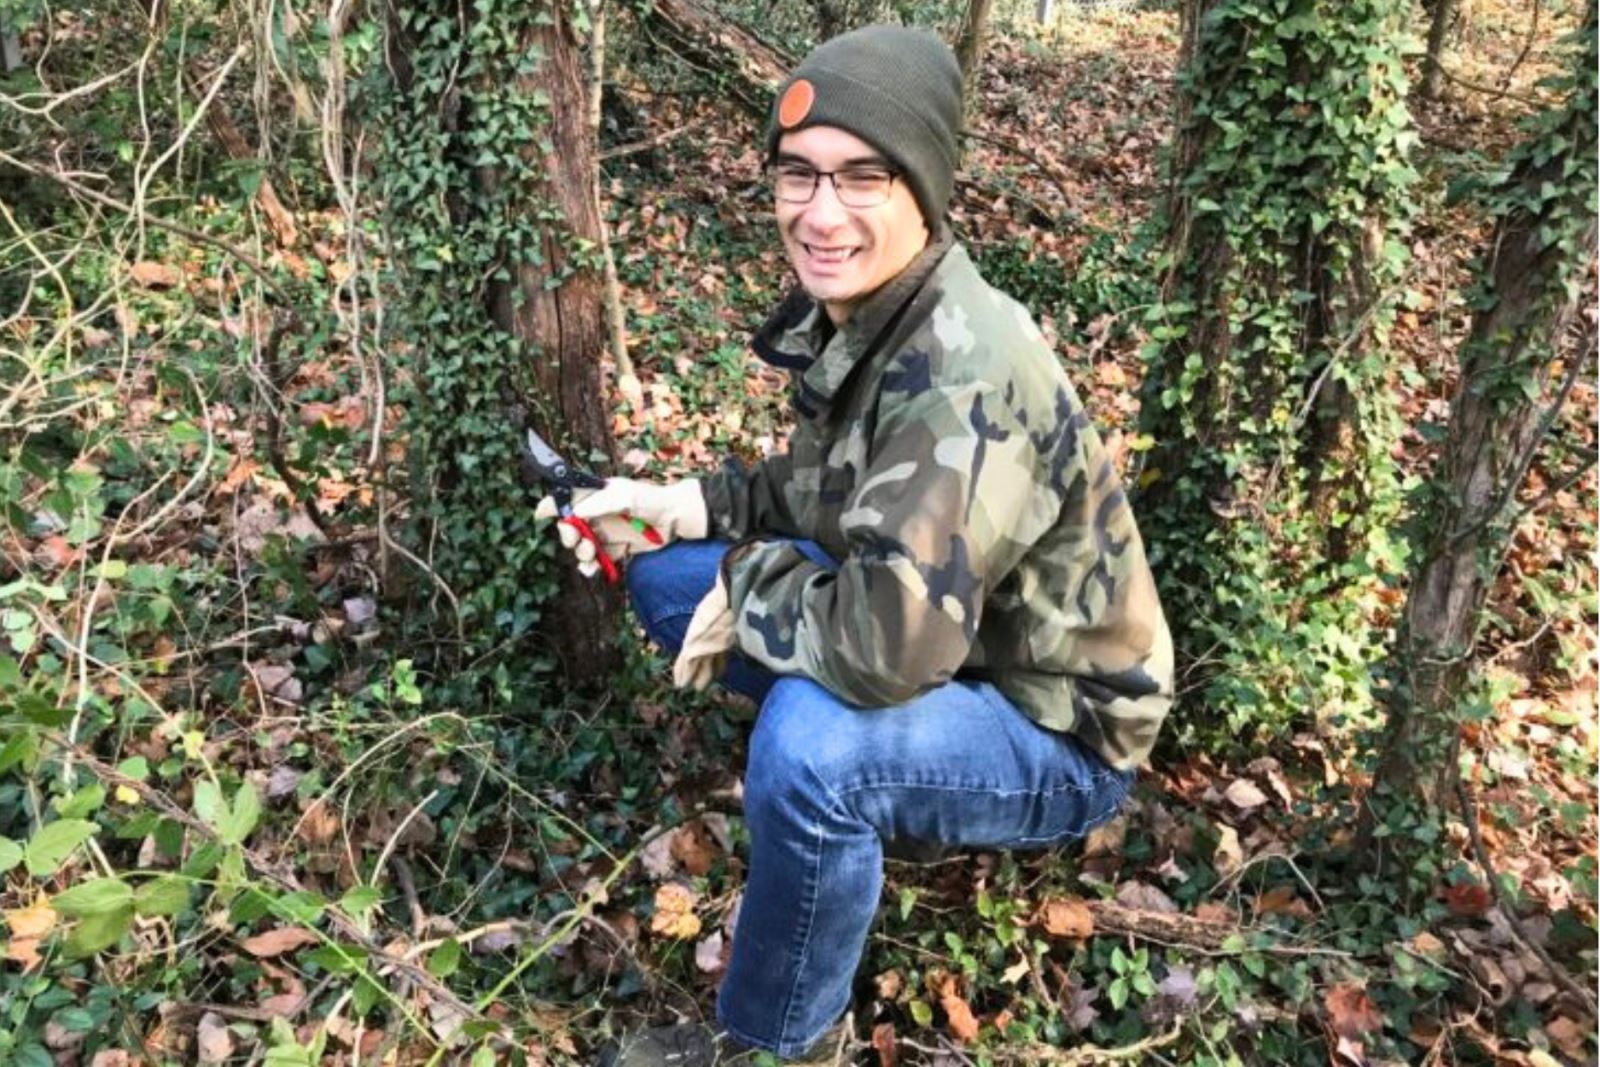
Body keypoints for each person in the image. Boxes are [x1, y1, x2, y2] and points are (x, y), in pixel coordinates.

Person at [538, 25, 1174, 1067]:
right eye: (798, 176)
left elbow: (887, 646)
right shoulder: (879, 305)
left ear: (922, 189)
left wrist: (749, 591)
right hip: (947, 635)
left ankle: (780, 1039)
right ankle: (855, 819)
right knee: (663, 574)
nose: (819, 213)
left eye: (861, 178)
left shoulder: (962, 367)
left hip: (1057, 724)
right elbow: (827, 493)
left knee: (810, 744)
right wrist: (678, 505)